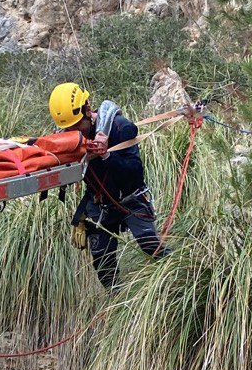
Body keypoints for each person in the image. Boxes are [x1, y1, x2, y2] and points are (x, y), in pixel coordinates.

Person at [49, 82, 169, 289]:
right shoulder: (68, 139)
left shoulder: (120, 127)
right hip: (99, 202)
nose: (74, 133)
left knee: (151, 247)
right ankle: (117, 301)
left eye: (77, 126)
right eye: (68, 128)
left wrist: (106, 156)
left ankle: (182, 279)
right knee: (103, 264)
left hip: (130, 198)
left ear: (88, 110)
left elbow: (134, 173)